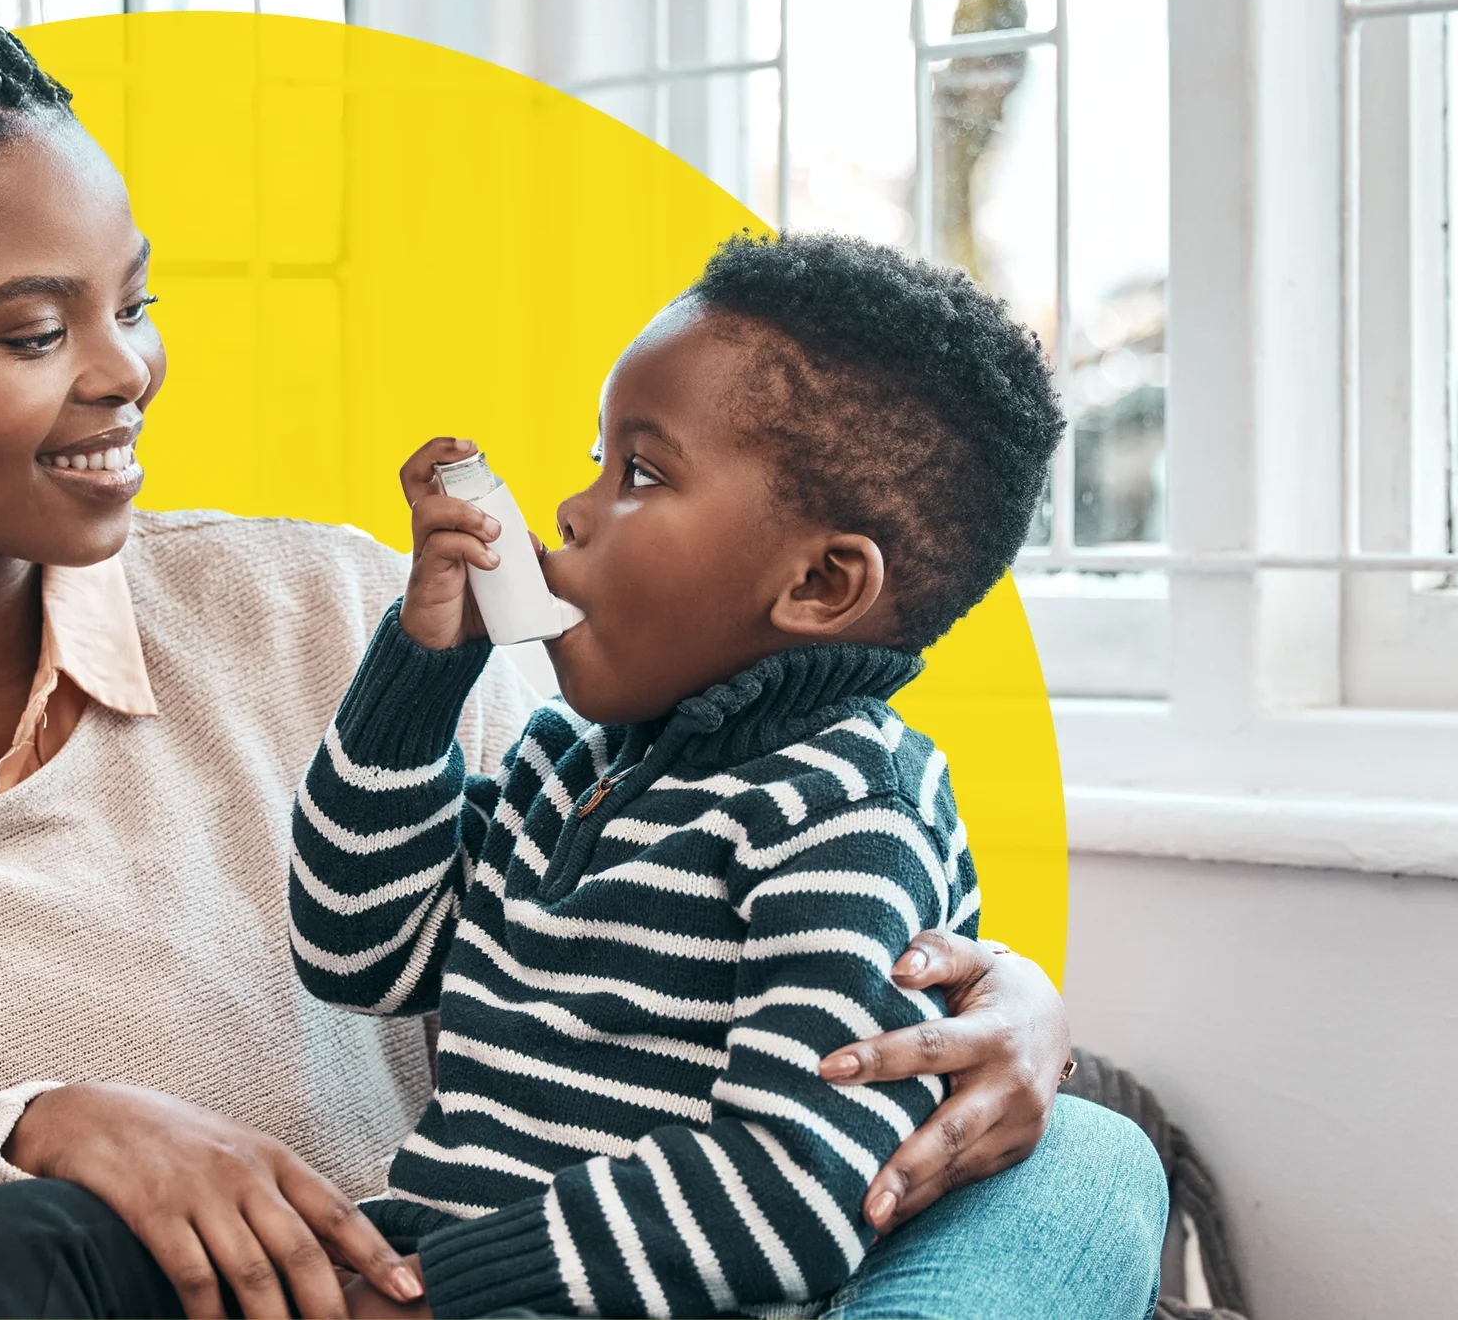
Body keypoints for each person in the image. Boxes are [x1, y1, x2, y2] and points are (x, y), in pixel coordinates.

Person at [0, 0, 1159, 1320]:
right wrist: (24, 1134)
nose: (126, 371)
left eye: (134, 302)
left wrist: (1000, 1020)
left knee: (1086, 1161)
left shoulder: (328, 605)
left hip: (516, 1277)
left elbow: (694, 894)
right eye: (35, 330)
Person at [262, 228, 1112, 1319]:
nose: (572, 510)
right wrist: (422, 674)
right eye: (596, 460)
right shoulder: (568, 767)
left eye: (642, 474)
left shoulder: (846, 813)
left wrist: (443, 1288)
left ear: (819, 585)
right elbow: (359, 948)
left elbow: (794, 1190)